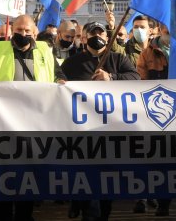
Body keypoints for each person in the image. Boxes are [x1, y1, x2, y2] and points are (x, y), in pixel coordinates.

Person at [0, 15, 63, 221]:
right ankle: (2, 215)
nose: (23, 34)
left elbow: (59, 76)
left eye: (27, 31)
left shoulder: (45, 51)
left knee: (28, 172)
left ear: (34, 32)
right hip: (4, 124)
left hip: (33, 123)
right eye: (18, 30)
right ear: (11, 30)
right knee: (5, 170)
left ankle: (25, 215)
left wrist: (61, 83)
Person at [60, 23, 141, 221]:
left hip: (109, 129)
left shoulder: (118, 59)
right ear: (85, 37)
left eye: (101, 32)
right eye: (93, 33)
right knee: (86, 175)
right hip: (82, 130)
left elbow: (135, 78)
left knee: (107, 178)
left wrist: (111, 77)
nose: (97, 36)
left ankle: (99, 211)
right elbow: (58, 81)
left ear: (107, 36)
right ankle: (85, 208)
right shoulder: (72, 62)